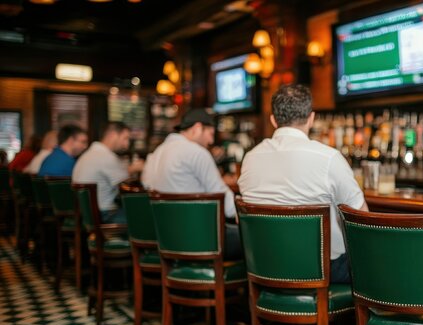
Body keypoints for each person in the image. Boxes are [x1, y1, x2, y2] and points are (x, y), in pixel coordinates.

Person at [238, 84, 368, 284]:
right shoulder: (328, 158)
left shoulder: (250, 159)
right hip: (323, 274)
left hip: (265, 268)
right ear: (311, 118)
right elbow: (362, 222)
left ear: (273, 120)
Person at [143, 108, 241, 259]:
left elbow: (146, 185)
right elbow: (223, 198)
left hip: (166, 239)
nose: (211, 141)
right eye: (210, 133)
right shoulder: (196, 152)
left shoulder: (157, 152)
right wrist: (242, 212)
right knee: (256, 238)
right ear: (197, 128)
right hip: (200, 241)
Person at [72, 122, 143, 224]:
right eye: (125, 138)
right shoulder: (105, 156)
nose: (127, 144)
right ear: (113, 135)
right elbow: (126, 184)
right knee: (146, 218)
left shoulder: (91, 153)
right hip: (104, 216)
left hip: (88, 216)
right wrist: (136, 168)